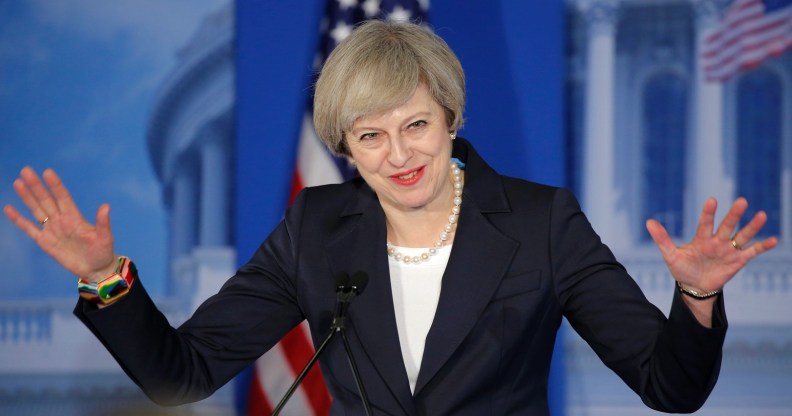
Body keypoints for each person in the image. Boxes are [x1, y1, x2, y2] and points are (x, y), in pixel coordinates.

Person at [3, 20, 778, 415]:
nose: (399, 154)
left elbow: (670, 387)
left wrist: (697, 297)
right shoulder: (314, 228)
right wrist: (104, 278)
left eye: (415, 125)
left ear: (451, 118)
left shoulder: (541, 222)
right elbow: (183, 372)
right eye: (370, 136)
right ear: (344, 147)